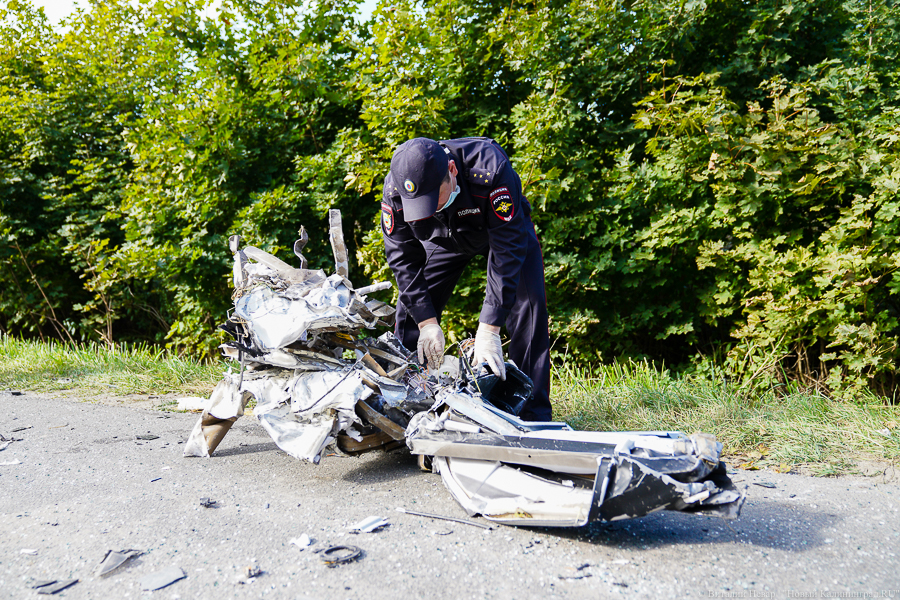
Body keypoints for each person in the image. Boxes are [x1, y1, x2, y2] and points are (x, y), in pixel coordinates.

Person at [380, 136, 552, 422]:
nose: (430, 208)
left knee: (529, 308)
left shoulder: (490, 169)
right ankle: (406, 406)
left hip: (499, 231)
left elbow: (507, 253)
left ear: (452, 170)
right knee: (412, 313)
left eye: (433, 198)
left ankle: (533, 417)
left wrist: (489, 329)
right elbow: (403, 260)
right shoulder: (395, 189)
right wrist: (426, 323)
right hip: (443, 238)